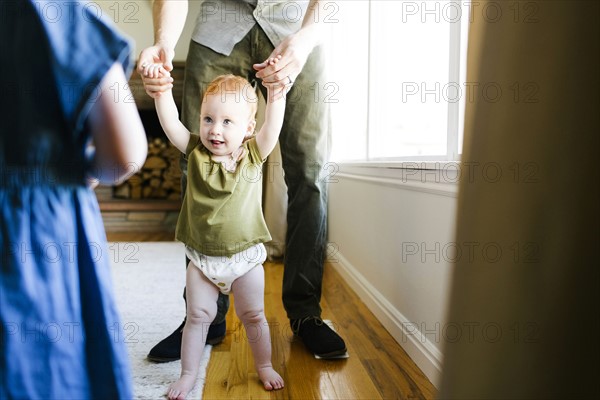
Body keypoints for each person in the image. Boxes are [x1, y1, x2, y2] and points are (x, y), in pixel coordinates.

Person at [139, 0, 346, 363]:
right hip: (219, 23)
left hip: (297, 26)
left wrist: (306, 37)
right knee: (195, 165)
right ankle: (204, 317)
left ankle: (305, 314)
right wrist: (165, 43)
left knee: (309, 172)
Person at [0, 1, 147, 399]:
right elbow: (125, 154)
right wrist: (83, 169)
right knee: (47, 364)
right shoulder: (65, 17)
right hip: (37, 229)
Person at [144, 66, 286, 397]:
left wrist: (276, 95)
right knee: (197, 317)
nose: (215, 130)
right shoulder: (194, 151)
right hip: (203, 261)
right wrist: (163, 93)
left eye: (227, 122)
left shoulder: (253, 154)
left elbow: (272, 127)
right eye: (208, 119)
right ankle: (188, 373)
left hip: (245, 259)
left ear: (248, 128)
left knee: (253, 316)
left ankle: (264, 365)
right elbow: (170, 125)